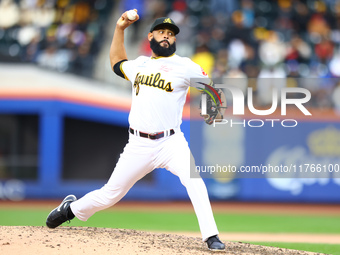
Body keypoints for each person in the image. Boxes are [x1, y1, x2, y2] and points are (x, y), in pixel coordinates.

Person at [46, 9, 225, 251]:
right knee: (110, 194)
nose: (167, 36)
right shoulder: (140, 64)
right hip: (138, 144)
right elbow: (117, 63)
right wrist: (119, 29)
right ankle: (70, 209)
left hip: (171, 143)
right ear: (150, 37)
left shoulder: (184, 66)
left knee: (195, 182)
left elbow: (212, 89)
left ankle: (211, 237)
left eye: (171, 34)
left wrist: (214, 110)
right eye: (162, 32)